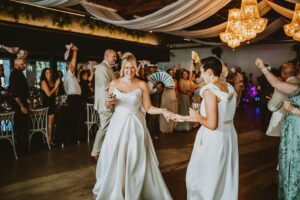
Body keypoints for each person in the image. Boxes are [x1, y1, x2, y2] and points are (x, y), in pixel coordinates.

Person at [93, 54, 173, 200]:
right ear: (122, 68)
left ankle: (135, 187)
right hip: (118, 125)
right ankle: (119, 187)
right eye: (127, 67)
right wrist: (107, 103)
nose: (130, 70)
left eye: (132, 67)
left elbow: (148, 108)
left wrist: (163, 110)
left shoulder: (141, 84)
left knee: (135, 156)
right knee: (117, 155)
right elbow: (108, 104)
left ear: (136, 68)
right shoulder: (114, 83)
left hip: (136, 125)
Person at [175, 56, 239, 200]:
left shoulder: (209, 91)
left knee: (204, 175)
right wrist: (184, 118)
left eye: (202, 71)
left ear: (209, 72)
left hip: (214, 137)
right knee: (223, 175)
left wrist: (196, 116)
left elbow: (211, 124)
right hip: (228, 135)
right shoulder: (229, 87)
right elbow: (220, 116)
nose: (200, 75)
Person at [256, 58, 300, 200]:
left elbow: (275, 86)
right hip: (292, 128)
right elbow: (277, 83)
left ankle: (292, 192)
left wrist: (293, 109)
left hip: (296, 129)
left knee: (293, 160)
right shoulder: (296, 86)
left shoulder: (294, 86)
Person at [91, 49, 117, 160]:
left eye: (116, 56)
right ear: (106, 56)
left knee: (109, 127)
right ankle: (95, 153)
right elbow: (106, 86)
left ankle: (104, 151)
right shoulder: (102, 67)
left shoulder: (108, 67)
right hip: (105, 103)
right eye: (114, 56)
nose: (115, 58)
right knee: (105, 126)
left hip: (109, 102)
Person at [266, 63, 300, 137]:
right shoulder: (298, 83)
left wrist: (276, 88)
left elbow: (272, 107)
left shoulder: (283, 86)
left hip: (285, 124)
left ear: (282, 73)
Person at [8, 58, 29, 155]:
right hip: (19, 105)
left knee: (24, 128)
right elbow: (15, 94)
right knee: (21, 128)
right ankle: (21, 151)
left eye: (24, 64)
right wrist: (21, 106)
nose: (24, 65)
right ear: (16, 65)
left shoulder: (19, 74)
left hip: (23, 103)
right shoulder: (14, 75)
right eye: (22, 64)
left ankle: (24, 149)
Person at [63, 44, 83, 144]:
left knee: (76, 119)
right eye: (70, 65)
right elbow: (73, 65)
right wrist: (75, 52)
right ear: (67, 66)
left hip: (76, 99)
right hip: (73, 99)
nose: (72, 66)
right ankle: (73, 139)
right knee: (74, 119)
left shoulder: (73, 76)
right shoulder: (68, 75)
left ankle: (76, 138)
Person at [40, 68, 60, 145]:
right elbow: (48, 94)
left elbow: (55, 93)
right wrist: (55, 86)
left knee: (51, 123)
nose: (48, 74)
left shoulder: (51, 82)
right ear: (44, 74)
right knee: (49, 124)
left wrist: (57, 85)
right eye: (47, 73)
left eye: (49, 73)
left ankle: (49, 140)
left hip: (52, 103)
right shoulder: (43, 82)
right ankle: (48, 140)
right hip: (47, 104)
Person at [160, 68, 178, 133]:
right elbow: (163, 88)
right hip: (166, 95)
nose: (171, 74)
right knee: (166, 110)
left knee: (173, 111)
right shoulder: (164, 80)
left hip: (173, 95)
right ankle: (165, 127)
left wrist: (177, 97)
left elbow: (176, 89)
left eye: (172, 73)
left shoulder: (175, 80)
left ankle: (171, 127)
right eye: (170, 73)